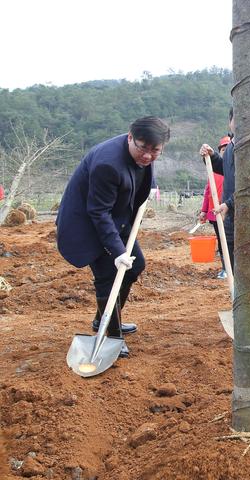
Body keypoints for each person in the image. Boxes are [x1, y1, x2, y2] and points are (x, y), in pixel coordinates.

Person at [56, 116, 170, 358]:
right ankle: (113, 335)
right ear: (130, 138)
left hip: (117, 218)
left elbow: (143, 171)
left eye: (155, 151)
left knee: (135, 265)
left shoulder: (144, 151)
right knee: (109, 275)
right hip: (88, 224)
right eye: (143, 148)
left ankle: (103, 319)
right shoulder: (108, 164)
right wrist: (117, 252)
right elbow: (98, 212)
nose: (148, 156)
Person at [199, 109, 236, 273]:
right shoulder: (231, 146)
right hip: (229, 212)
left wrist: (229, 203)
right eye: (237, 118)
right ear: (230, 121)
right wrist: (213, 157)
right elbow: (225, 169)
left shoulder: (249, 147)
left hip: (244, 214)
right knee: (229, 252)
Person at [199, 136, 229, 279]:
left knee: (229, 240)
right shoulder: (215, 171)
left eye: (228, 149)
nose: (226, 151)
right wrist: (204, 211)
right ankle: (225, 268)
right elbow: (208, 191)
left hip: (229, 212)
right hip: (214, 213)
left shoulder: (232, 171)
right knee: (221, 240)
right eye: (223, 149)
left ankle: (232, 267)